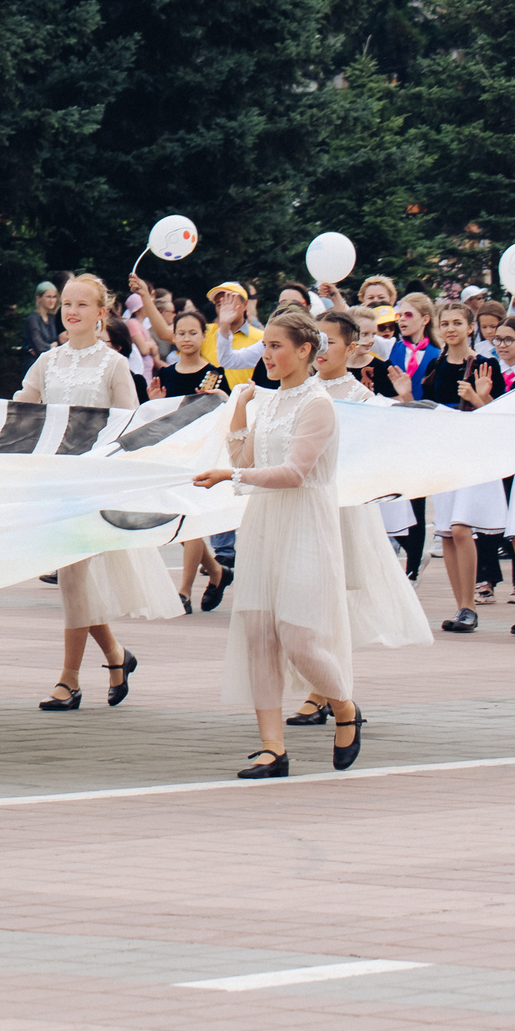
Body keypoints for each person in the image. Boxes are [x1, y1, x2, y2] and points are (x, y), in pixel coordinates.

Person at [192, 309, 362, 778]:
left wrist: (232, 473)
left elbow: (293, 474)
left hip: (305, 522)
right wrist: (242, 409)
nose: (266, 355)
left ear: (305, 351)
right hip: (265, 523)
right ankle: (272, 748)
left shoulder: (318, 403)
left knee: (299, 635)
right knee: (259, 633)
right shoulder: (268, 401)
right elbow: (245, 459)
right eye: (264, 345)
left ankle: (345, 707)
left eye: (275, 346)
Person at [19, 275, 178, 712]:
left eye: (82, 305)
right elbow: (23, 409)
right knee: (76, 582)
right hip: (55, 484)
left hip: (92, 485)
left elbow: (127, 425)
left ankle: (69, 679)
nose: (72, 312)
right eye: (67, 304)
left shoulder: (112, 365)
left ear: (101, 313)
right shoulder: (48, 362)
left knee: (73, 580)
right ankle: (114, 656)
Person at [284, 311, 429, 728]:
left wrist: (400, 403)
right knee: (304, 598)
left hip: (344, 510)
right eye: (317, 340)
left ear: (352, 349)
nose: (323, 350)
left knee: (336, 598)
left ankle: (326, 693)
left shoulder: (361, 398)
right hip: (302, 506)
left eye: (332, 342)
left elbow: (386, 445)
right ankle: (326, 689)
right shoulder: (299, 391)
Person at [403, 300, 503, 634]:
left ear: (470, 326)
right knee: (446, 530)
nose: (451, 328)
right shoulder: (436, 365)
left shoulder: (485, 364)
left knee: (462, 528)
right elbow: (421, 410)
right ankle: (461, 606)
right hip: (442, 454)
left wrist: (478, 399)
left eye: (458, 322)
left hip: (473, 455)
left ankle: (471, 605)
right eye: (445, 323)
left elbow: (499, 416)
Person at [152, 309, 230, 611]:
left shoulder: (214, 373)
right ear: (173, 336)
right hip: (173, 451)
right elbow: (158, 416)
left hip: (201, 452)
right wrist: (156, 404)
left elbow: (222, 414)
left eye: (192, 332)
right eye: (181, 333)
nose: (186, 338)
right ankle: (216, 571)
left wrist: (217, 398)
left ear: (203, 335)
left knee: (192, 517)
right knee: (174, 517)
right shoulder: (167, 374)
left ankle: (183, 591)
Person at [21, 280, 62, 366]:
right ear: (38, 298)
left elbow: (57, 342)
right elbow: (39, 347)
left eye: (54, 297)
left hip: (49, 363)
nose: (52, 300)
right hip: (34, 364)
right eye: (48, 297)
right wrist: (51, 346)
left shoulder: (51, 318)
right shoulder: (33, 319)